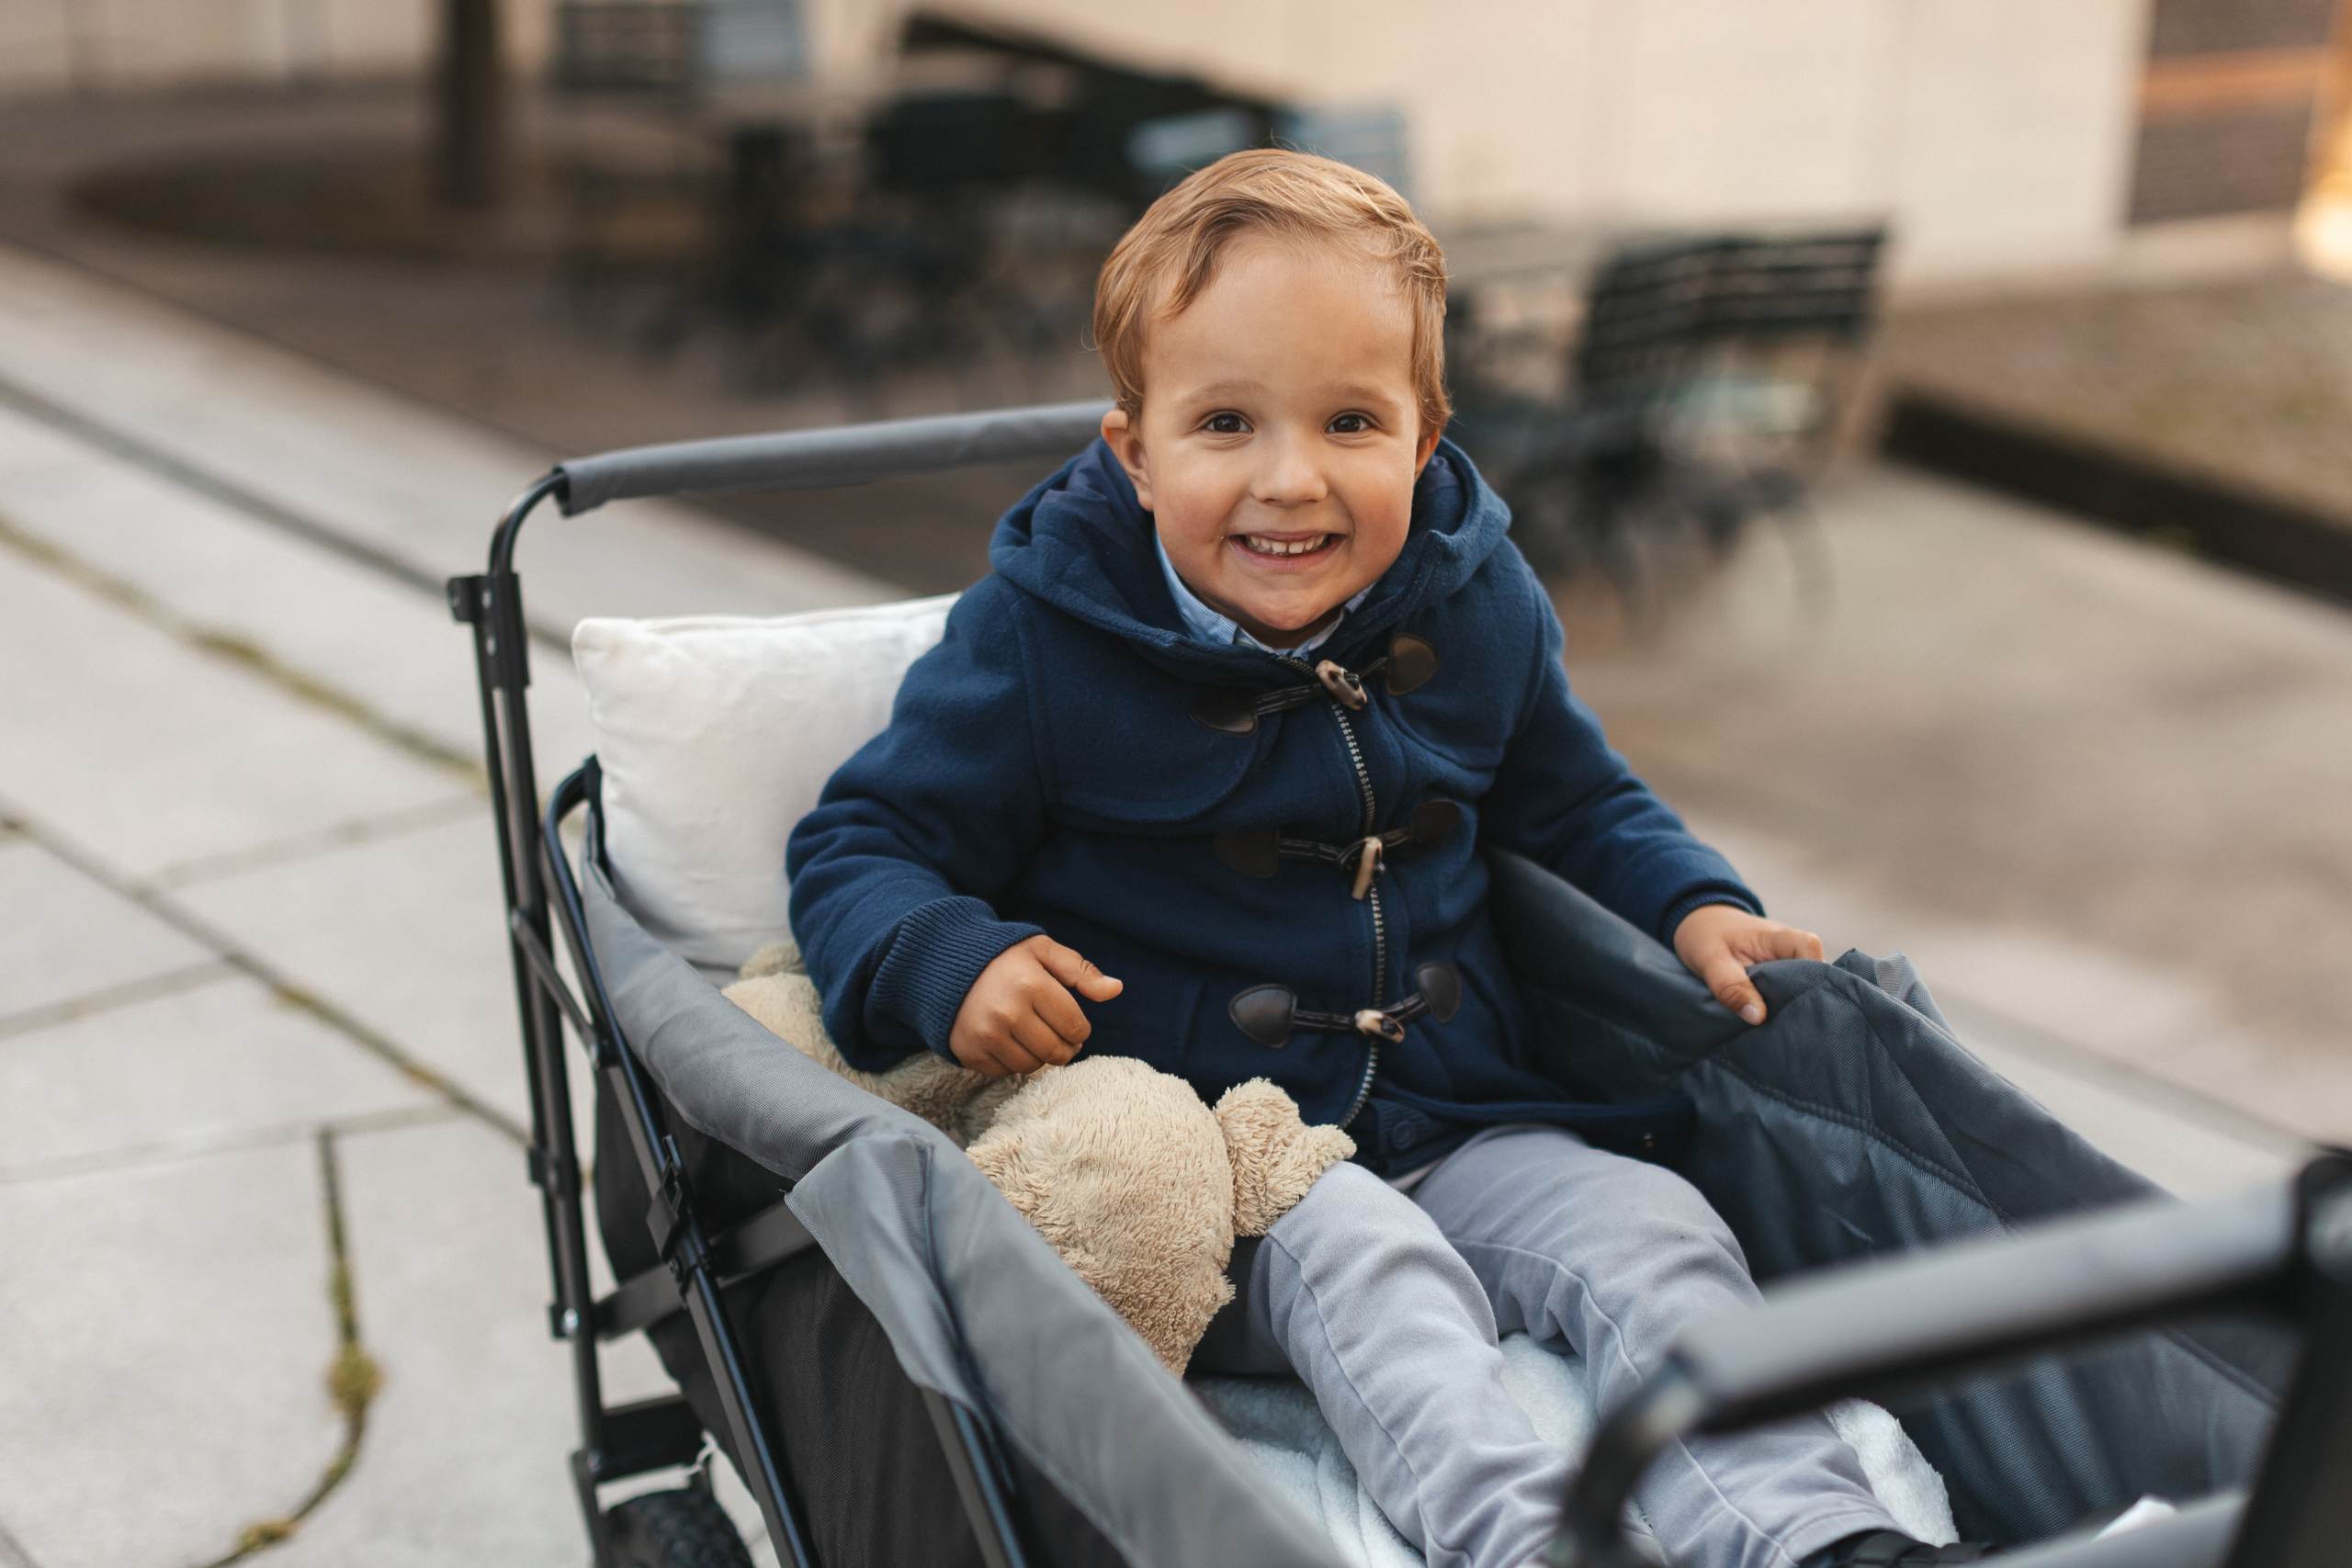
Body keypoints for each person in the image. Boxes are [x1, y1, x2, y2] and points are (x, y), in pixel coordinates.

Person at [787, 150, 1980, 1568]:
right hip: (1235, 1158)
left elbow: (1574, 792)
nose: (1290, 483)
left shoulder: (1473, 601)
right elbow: (862, 842)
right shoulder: (1044, 641)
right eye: (1224, 422)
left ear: (1424, 440)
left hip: (1466, 1114)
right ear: (1135, 449)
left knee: (1654, 1233)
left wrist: (1694, 901)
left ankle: (1817, 1540)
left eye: (1351, 421)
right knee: (1380, 1276)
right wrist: (947, 957)